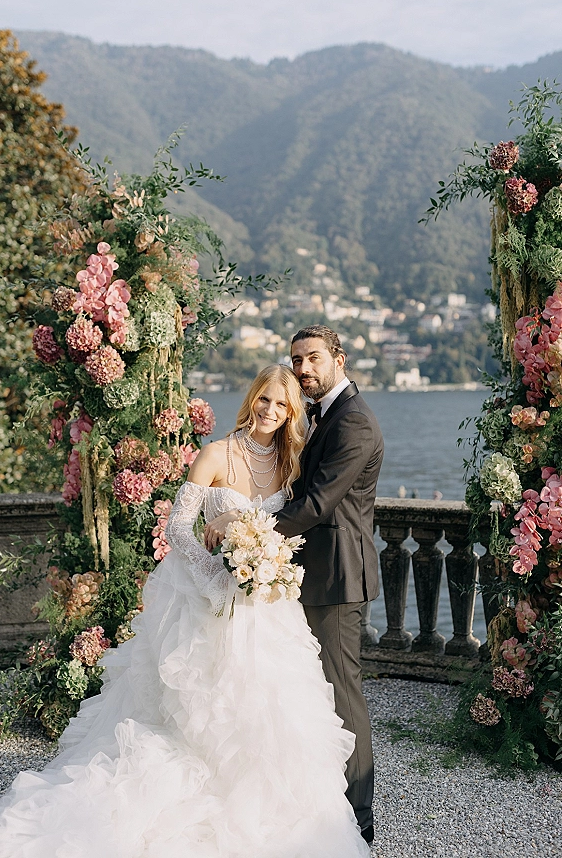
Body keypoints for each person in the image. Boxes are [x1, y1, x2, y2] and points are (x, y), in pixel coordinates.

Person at [0, 363, 370, 858]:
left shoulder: (290, 466)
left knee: (270, 716)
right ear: (252, 399)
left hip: (264, 611)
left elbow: (292, 523)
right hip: (205, 601)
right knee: (195, 716)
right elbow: (178, 529)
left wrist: (260, 567)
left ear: (293, 412)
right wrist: (216, 577)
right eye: (265, 399)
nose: (271, 411)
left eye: (283, 404)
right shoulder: (214, 455)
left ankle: (271, 820)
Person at [205, 327, 384, 848]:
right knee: (311, 694)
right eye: (295, 361)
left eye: (312, 359)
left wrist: (248, 533)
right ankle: (313, 804)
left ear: (338, 359)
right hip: (309, 574)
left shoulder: (354, 422)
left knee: (341, 695)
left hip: (336, 577)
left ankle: (358, 819)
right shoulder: (322, 415)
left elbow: (317, 505)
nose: (303, 368)